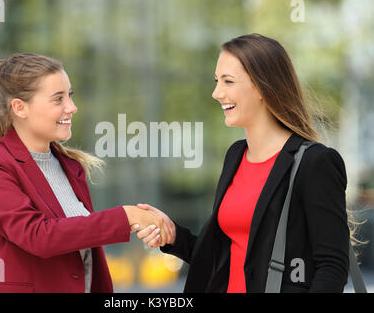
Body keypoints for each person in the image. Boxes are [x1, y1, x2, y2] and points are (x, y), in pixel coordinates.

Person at [135, 33, 350, 293]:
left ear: (261, 86)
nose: (216, 93)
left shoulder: (315, 163)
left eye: (228, 81)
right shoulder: (235, 156)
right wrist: (174, 236)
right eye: (217, 81)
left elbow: (332, 267)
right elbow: (223, 256)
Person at [0, 52, 172, 293]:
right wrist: (124, 217)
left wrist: (143, 221)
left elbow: (81, 245)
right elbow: (38, 236)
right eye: (58, 99)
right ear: (19, 108)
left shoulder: (68, 165)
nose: (72, 107)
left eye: (70, 96)